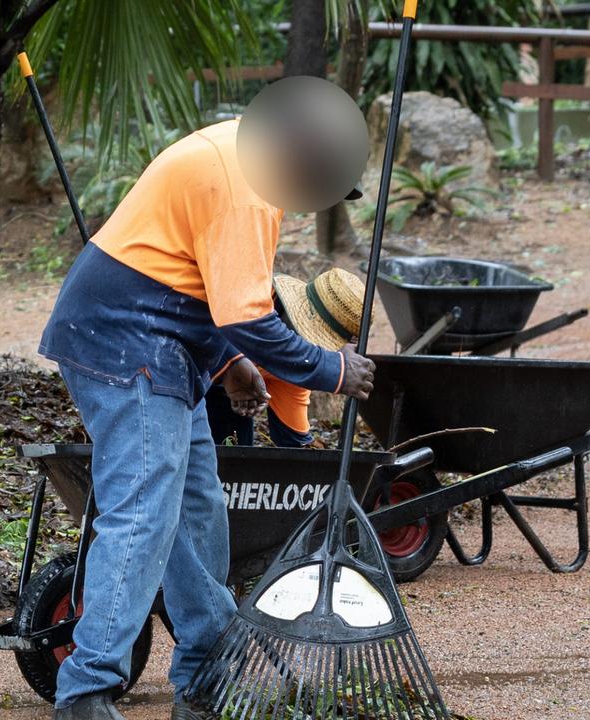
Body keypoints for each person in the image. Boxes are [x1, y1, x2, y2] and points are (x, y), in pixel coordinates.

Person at [38, 118, 375, 720]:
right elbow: (248, 316)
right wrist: (330, 370)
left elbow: (203, 282)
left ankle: (203, 674)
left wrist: (231, 363)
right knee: (142, 515)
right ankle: (86, 691)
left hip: (168, 342)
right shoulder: (248, 187)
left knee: (198, 512)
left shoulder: (244, 149)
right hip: (128, 338)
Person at [205, 268, 368, 448]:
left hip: (233, 400)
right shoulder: (247, 297)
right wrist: (230, 367)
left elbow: (293, 442)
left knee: (236, 452)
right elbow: (197, 330)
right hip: (185, 366)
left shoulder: (296, 366)